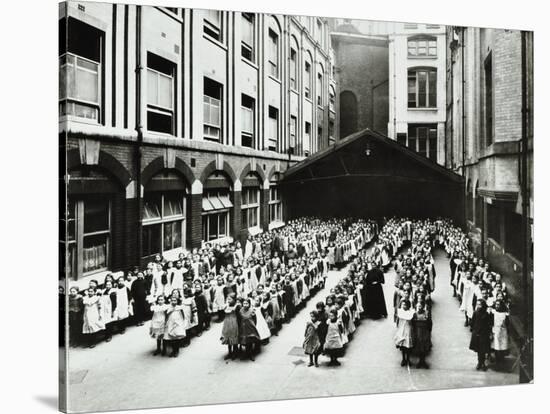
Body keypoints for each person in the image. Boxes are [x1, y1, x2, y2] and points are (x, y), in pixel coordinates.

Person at [469, 299, 493, 371]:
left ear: (483, 305)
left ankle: (482, 363)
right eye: (477, 304)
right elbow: (472, 323)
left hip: (484, 334)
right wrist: (474, 331)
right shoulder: (475, 313)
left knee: (483, 349)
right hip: (477, 334)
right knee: (478, 349)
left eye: (480, 304)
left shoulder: (487, 314)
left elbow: (489, 324)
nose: (478, 306)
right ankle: (479, 363)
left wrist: (489, 333)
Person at [394, 299, 415, 367]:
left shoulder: (410, 312)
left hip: (408, 329)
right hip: (402, 329)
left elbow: (411, 319)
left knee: (407, 345)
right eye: (402, 304)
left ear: (408, 305)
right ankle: (403, 359)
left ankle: (408, 359)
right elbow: (398, 320)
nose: (403, 306)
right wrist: (397, 328)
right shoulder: (400, 311)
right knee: (402, 345)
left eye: (404, 305)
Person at [412, 301, 432, 368]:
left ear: (423, 307)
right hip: (418, 333)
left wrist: (429, 331)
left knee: (424, 347)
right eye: (418, 306)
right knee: (419, 347)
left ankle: (423, 361)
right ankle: (420, 361)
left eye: (420, 306)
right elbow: (413, 324)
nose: (419, 307)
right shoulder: (415, 314)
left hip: (425, 332)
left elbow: (430, 323)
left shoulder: (426, 313)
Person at [220, 294, 240, 360]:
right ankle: (229, 352)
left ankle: (235, 352)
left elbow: (239, 316)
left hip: (234, 323)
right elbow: (223, 314)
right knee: (228, 337)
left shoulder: (237, 306)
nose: (228, 300)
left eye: (230, 299)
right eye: (227, 299)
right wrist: (225, 305)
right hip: (227, 323)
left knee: (233, 337)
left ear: (234, 300)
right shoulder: (226, 306)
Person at [491, 299, 509, 368]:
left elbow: (507, 323)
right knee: (496, 346)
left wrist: (505, 325)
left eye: (498, 304)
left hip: (503, 331)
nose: (497, 306)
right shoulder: (494, 313)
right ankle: (497, 361)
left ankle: (502, 360)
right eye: (496, 304)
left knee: (503, 346)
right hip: (495, 330)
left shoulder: (505, 314)